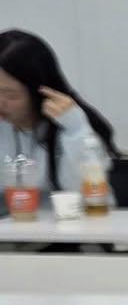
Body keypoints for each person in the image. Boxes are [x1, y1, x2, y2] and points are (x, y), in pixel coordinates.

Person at [0, 30, 117, 194]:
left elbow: (89, 194)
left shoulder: (71, 126)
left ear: (40, 92)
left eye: (11, 95)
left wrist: (76, 132)